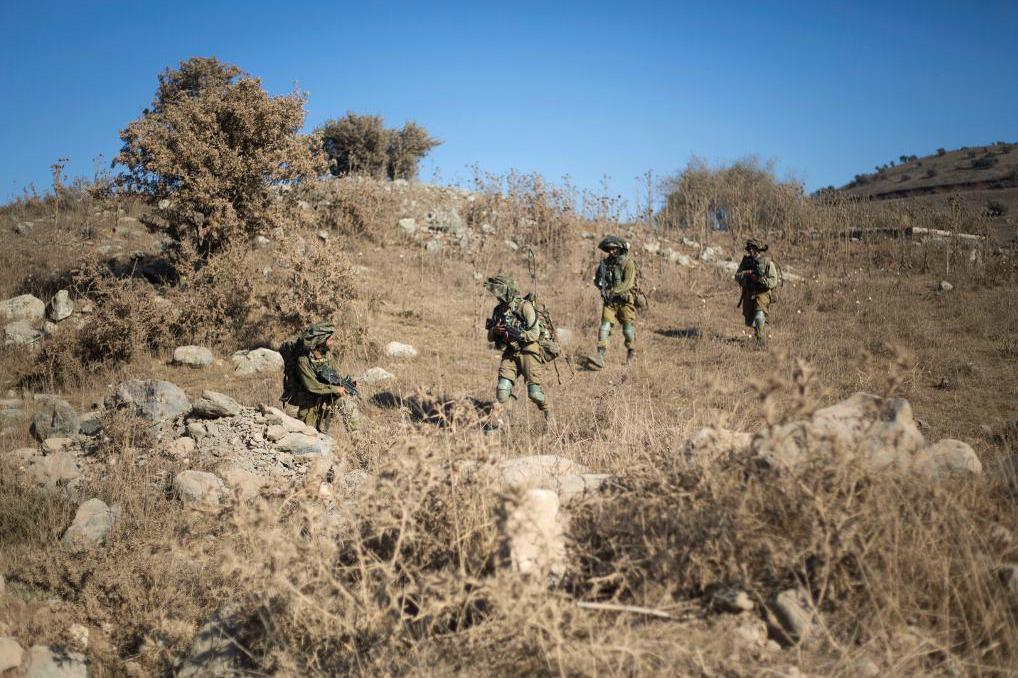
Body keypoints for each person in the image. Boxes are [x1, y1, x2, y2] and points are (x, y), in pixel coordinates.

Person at [483, 275, 553, 428]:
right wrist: (495, 330)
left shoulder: (524, 306)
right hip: (510, 353)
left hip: (529, 352)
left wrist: (518, 334)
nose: (497, 296)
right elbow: (489, 337)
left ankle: (549, 413)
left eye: (499, 293)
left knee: (535, 394)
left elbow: (534, 333)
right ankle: (502, 426)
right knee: (502, 390)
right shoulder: (498, 310)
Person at [283, 323, 359, 433]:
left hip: (324, 398)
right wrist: (336, 389)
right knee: (308, 434)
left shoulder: (327, 356)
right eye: (330, 340)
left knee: (347, 404)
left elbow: (334, 377)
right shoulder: (303, 361)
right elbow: (312, 386)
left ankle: (355, 436)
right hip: (307, 404)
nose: (333, 343)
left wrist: (348, 383)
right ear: (321, 340)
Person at [591, 235, 637, 368]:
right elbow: (597, 280)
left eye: (614, 249)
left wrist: (614, 291)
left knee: (628, 330)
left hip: (624, 302)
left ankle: (631, 351)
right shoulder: (605, 264)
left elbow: (628, 284)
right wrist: (602, 288)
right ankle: (600, 356)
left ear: (620, 249)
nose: (611, 252)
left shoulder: (628, 263)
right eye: (609, 249)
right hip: (610, 303)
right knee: (604, 327)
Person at [735, 239, 779, 347]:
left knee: (759, 316)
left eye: (753, 248)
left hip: (763, 293)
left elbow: (774, 280)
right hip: (749, 293)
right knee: (752, 320)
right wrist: (747, 276)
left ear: (758, 249)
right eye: (749, 248)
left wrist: (760, 280)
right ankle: (761, 332)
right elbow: (737, 276)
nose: (750, 250)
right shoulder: (746, 261)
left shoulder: (767, 261)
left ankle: (761, 342)